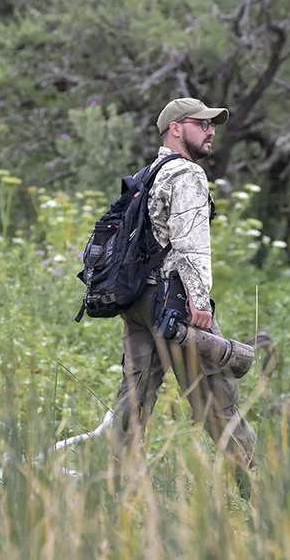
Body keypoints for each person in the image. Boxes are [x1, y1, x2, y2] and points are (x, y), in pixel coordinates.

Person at [112, 97, 256, 495]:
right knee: (218, 400)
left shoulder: (147, 173)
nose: (211, 131)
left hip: (140, 305)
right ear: (176, 128)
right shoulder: (187, 174)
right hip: (175, 305)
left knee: (133, 402)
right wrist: (198, 300)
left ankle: (116, 493)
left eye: (212, 125)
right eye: (202, 124)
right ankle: (257, 495)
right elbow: (191, 245)